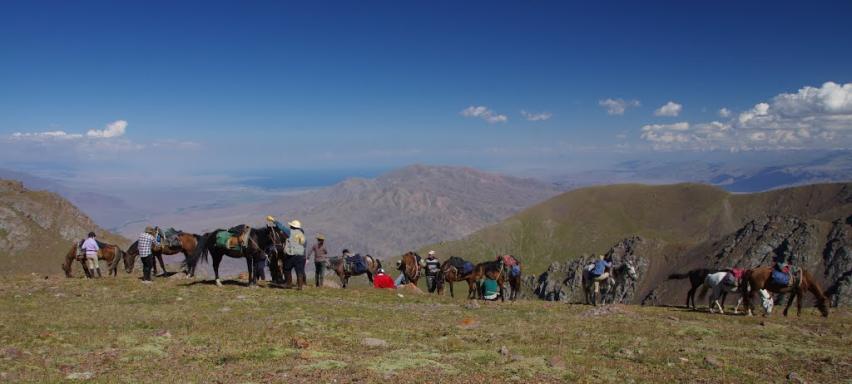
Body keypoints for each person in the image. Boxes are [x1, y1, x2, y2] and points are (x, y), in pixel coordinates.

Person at [275, 218, 306, 290]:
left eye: (291, 226)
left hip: (292, 255)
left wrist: (274, 221)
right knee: (299, 271)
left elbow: (282, 227)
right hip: (301, 255)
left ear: (293, 227)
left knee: (287, 269)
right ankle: (300, 286)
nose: (290, 227)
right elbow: (304, 243)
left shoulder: (290, 232)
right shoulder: (301, 234)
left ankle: (288, 284)